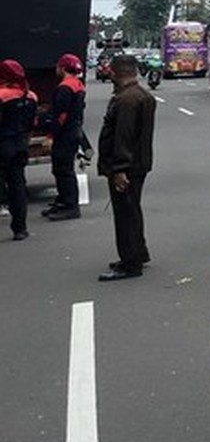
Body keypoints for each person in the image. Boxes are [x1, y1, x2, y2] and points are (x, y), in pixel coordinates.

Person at [97, 53, 156, 280]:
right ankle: (138, 253)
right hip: (139, 162)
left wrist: (119, 169)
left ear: (116, 72)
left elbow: (123, 136)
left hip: (127, 166)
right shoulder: (141, 95)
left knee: (125, 214)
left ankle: (131, 263)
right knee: (132, 210)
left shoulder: (126, 100)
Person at [43, 53, 89, 220]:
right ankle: (63, 201)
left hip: (65, 134)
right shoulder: (78, 85)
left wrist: (50, 136)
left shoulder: (64, 88)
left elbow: (60, 116)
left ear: (62, 68)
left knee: (63, 171)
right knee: (62, 169)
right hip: (74, 132)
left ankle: (70, 206)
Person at [0, 59, 38, 241]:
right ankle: (20, 228)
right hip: (20, 145)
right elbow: (32, 124)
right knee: (18, 186)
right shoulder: (30, 96)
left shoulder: (2, 95)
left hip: (3, 144)